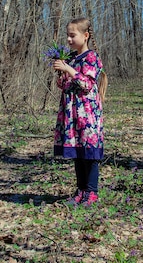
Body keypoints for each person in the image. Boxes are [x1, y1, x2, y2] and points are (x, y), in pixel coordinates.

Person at [52, 17, 107, 206]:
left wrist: (69, 69)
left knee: (89, 153)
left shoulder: (92, 57)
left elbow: (86, 84)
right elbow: (65, 85)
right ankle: (81, 190)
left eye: (72, 35)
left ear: (85, 36)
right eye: (67, 35)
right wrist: (62, 73)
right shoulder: (72, 59)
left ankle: (92, 192)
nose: (68, 39)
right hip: (72, 114)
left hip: (88, 114)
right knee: (77, 153)